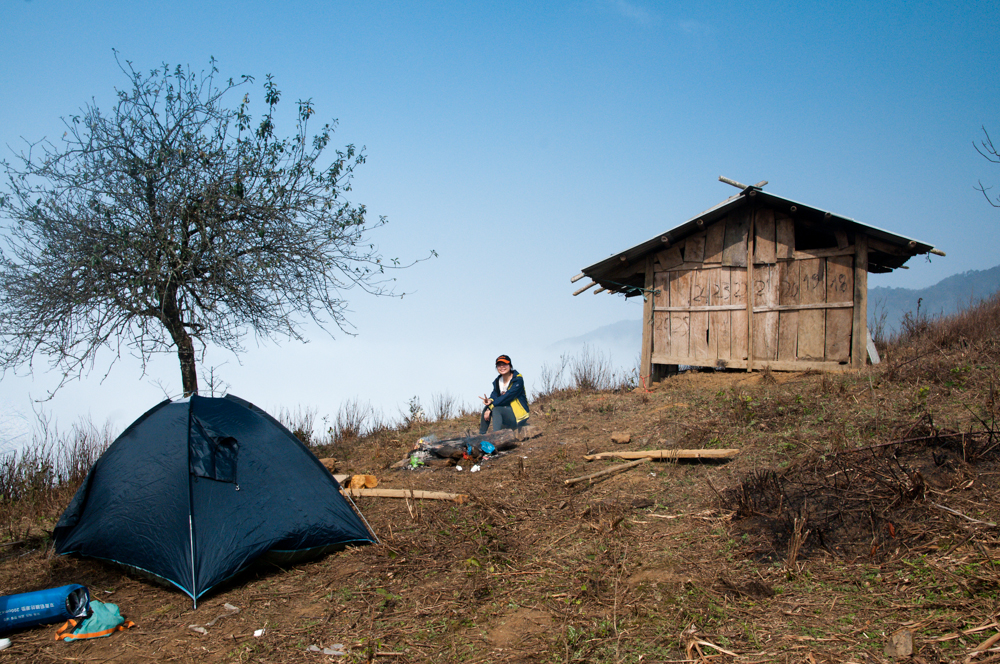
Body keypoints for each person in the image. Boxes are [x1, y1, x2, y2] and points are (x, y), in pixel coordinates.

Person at [479, 354, 530, 434]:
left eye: (505, 364)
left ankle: (497, 436)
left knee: (495, 409)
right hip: (506, 411)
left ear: (510, 365)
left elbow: (508, 396)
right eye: (499, 365)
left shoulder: (517, 380)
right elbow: (494, 395)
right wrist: (489, 401)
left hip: (518, 415)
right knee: (487, 408)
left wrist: (491, 406)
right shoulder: (498, 381)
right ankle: (481, 434)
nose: (502, 367)